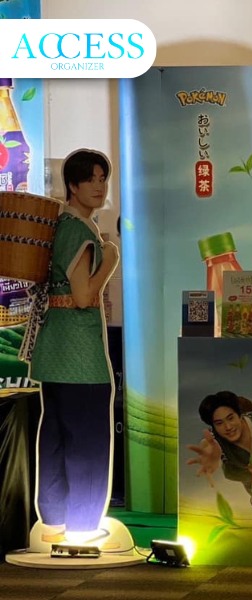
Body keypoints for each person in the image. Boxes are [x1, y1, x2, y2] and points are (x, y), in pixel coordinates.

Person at [25, 149, 120, 545]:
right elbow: (82, 296)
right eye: (90, 179)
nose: (99, 186)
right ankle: (82, 527)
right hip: (80, 356)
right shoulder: (79, 231)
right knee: (87, 441)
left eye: (103, 178)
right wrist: (110, 259)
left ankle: (53, 524)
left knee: (56, 437)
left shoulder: (58, 226)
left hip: (54, 350)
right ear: (72, 185)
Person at [187, 391, 252, 495]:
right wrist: (209, 454)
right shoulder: (217, 439)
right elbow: (207, 444)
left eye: (231, 418)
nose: (228, 427)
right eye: (219, 423)